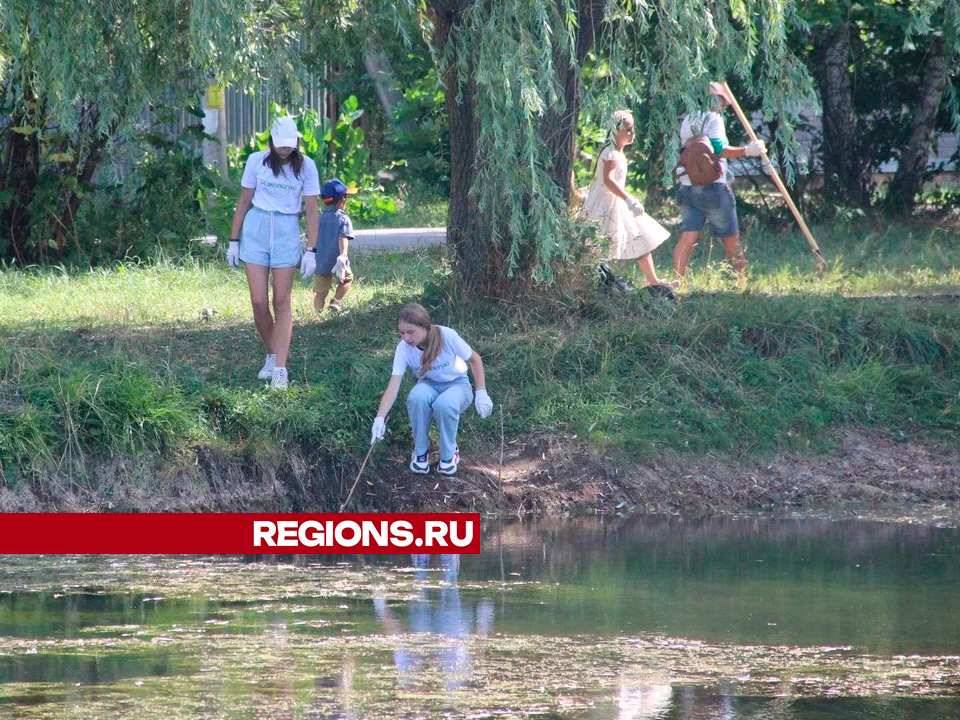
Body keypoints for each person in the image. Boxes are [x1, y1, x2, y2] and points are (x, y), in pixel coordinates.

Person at [227, 116, 320, 390]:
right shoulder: (256, 161)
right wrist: (234, 240)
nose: (283, 150)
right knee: (258, 300)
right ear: (271, 141)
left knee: (281, 300)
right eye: (279, 145)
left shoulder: (307, 166)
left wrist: (311, 250)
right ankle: (272, 354)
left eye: (289, 145)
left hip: (285, 230)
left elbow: (312, 210)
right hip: (256, 228)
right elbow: (244, 200)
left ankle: (280, 368)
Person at [369, 303, 493, 476]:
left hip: (457, 384)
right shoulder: (403, 349)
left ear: (424, 327)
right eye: (402, 332)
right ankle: (420, 453)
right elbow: (394, 385)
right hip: (428, 384)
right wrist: (379, 418)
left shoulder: (447, 335)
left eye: (410, 331)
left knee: (445, 404)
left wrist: (481, 392)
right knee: (416, 397)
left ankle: (449, 454)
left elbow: (475, 359)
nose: (406, 337)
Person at [672, 85, 766, 279]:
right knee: (731, 239)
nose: (724, 107)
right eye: (722, 102)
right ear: (715, 100)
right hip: (712, 189)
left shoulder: (688, 119)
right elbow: (718, 150)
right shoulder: (713, 119)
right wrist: (749, 151)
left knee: (688, 236)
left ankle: (676, 282)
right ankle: (742, 284)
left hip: (687, 186)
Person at [583, 109, 675, 298]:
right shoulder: (611, 153)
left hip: (616, 203)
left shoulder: (616, 152)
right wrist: (628, 199)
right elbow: (608, 180)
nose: (632, 133)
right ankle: (591, 285)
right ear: (616, 131)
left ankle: (654, 282)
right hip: (606, 206)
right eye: (628, 129)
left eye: (632, 129)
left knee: (641, 237)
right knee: (596, 245)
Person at [299, 178, 357, 315]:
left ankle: (318, 314)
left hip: (319, 261)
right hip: (337, 261)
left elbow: (309, 237)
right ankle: (336, 301)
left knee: (321, 292)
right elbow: (343, 237)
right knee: (347, 280)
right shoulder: (343, 219)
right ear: (342, 201)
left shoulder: (317, 219)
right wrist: (343, 255)